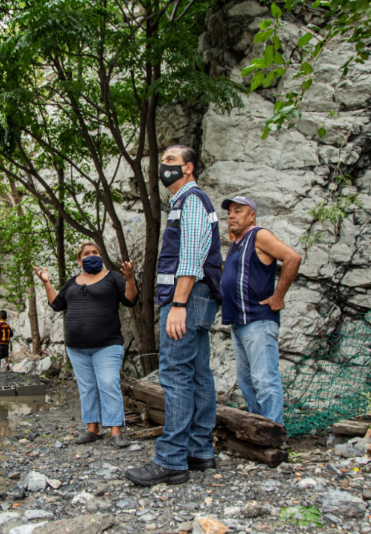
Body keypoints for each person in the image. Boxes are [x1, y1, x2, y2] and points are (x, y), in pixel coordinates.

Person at [126, 145, 223, 486]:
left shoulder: (191, 200)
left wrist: (178, 305)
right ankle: (199, 452)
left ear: (188, 168)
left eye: (171, 160)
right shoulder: (185, 202)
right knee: (198, 374)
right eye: (162, 160)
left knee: (176, 375)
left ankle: (170, 459)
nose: (163, 166)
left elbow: (192, 259)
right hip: (195, 299)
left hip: (188, 299)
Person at [34, 243, 137, 448]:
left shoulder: (113, 278)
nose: (91, 256)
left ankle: (115, 431)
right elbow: (57, 304)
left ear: (101, 256)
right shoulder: (72, 282)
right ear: (79, 261)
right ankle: (93, 429)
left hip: (107, 344)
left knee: (108, 384)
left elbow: (130, 300)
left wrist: (130, 279)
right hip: (77, 347)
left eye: (95, 253)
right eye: (86, 254)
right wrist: (46, 283)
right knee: (87, 387)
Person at [219, 196, 301, 425]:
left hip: (258, 321)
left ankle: (275, 433)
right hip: (239, 323)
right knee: (246, 382)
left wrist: (278, 297)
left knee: (265, 380)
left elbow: (292, 257)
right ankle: (259, 429)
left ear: (251, 215)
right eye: (229, 212)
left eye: (238, 211)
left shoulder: (259, 235)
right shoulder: (237, 243)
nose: (232, 215)